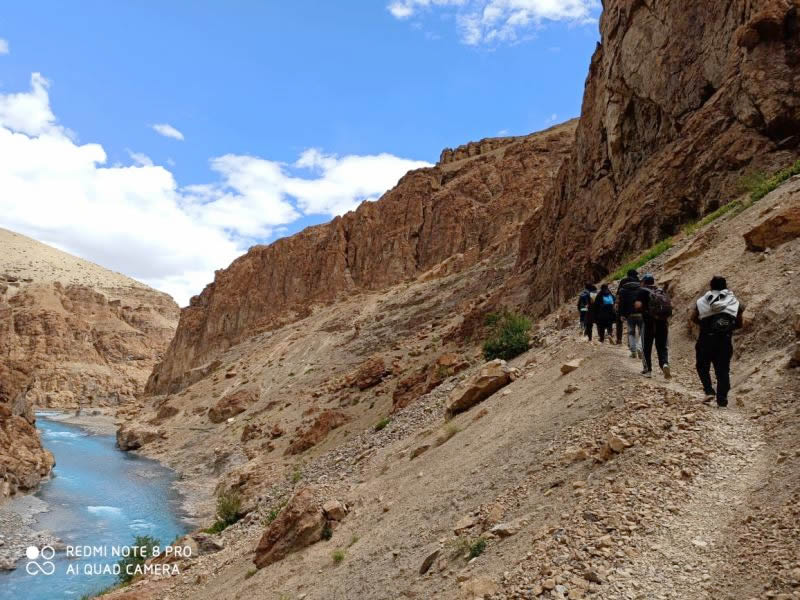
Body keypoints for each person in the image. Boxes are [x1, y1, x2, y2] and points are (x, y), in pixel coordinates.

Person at [691, 276, 745, 408]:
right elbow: (739, 324)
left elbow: (693, 318)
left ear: (711, 286)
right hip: (724, 340)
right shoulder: (735, 302)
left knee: (702, 366)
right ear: (726, 286)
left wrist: (705, 323)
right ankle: (722, 400)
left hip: (705, 339)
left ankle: (709, 391)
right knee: (723, 370)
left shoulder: (702, 301)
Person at [634, 273, 672, 378]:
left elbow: (638, 305)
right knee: (662, 346)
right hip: (663, 323)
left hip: (648, 322)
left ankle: (648, 370)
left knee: (646, 346)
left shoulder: (642, 291)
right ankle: (664, 363)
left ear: (644, 282)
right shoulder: (660, 291)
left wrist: (639, 309)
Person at [616, 269, 643, 358]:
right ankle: (640, 348)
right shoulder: (640, 285)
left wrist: (621, 314)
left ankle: (633, 351)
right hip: (641, 313)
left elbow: (621, 301)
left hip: (629, 314)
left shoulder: (623, 286)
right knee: (642, 332)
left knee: (631, 333)